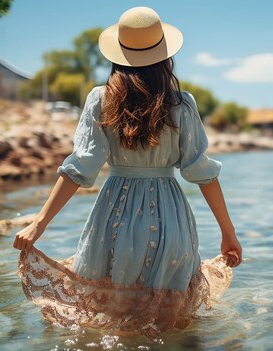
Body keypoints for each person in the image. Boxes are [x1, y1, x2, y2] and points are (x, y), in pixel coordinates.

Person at [13, 6, 242, 335]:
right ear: (166, 57)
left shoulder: (100, 100)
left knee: (111, 317)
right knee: (170, 323)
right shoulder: (181, 105)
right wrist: (228, 233)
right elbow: (203, 173)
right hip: (169, 218)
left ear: (118, 56)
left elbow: (79, 167)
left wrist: (39, 223)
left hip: (114, 215)